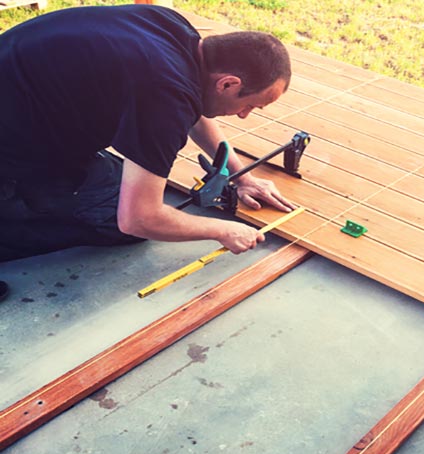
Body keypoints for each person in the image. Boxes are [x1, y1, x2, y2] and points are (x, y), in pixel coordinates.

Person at [0, 4, 295, 270]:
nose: (245, 115)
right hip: (14, 147)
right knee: (118, 222)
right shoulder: (164, 92)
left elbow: (194, 108)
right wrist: (222, 230)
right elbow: (138, 219)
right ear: (228, 83)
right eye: (251, 105)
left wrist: (242, 176)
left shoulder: (177, 32)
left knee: (120, 187)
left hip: (21, 104)